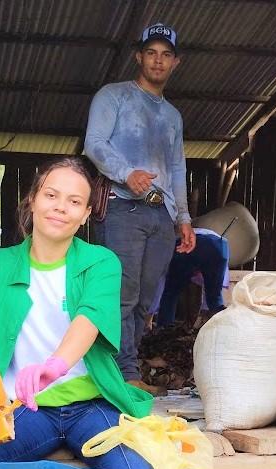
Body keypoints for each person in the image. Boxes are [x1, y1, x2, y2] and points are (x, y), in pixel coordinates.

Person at [0, 157, 154, 469]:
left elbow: (90, 318)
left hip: (90, 405)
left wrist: (55, 366)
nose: (61, 207)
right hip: (21, 408)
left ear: (86, 215)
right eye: (51, 195)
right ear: (32, 201)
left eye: (74, 201)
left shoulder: (101, 263)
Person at [84, 22, 196, 391]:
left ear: (176, 62)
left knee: (145, 299)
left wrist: (182, 217)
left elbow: (177, 168)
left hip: (159, 214)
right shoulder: (113, 96)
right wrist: (126, 173)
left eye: (166, 55)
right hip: (122, 208)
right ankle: (119, 375)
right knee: (121, 294)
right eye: (151, 53)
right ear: (139, 57)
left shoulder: (173, 116)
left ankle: (126, 371)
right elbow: (95, 143)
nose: (158, 61)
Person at [156, 228, 230, 327]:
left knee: (170, 293)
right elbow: (215, 290)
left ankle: (163, 329)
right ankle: (223, 330)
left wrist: (151, 313)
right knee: (214, 297)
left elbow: (160, 288)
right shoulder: (216, 251)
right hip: (221, 245)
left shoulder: (167, 250)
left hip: (188, 244)